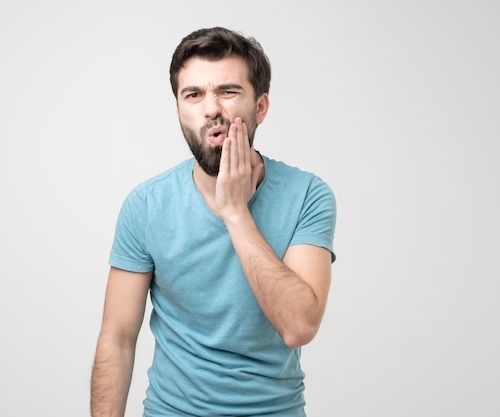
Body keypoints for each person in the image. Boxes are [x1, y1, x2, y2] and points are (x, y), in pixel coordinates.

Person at [91, 26, 337, 417]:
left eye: (228, 91)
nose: (211, 109)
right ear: (179, 110)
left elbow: (298, 326)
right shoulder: (146, 205)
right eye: (193, 94)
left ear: (260, 108)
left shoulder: (307, 194)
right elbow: (117, 340)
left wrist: (236, 212)